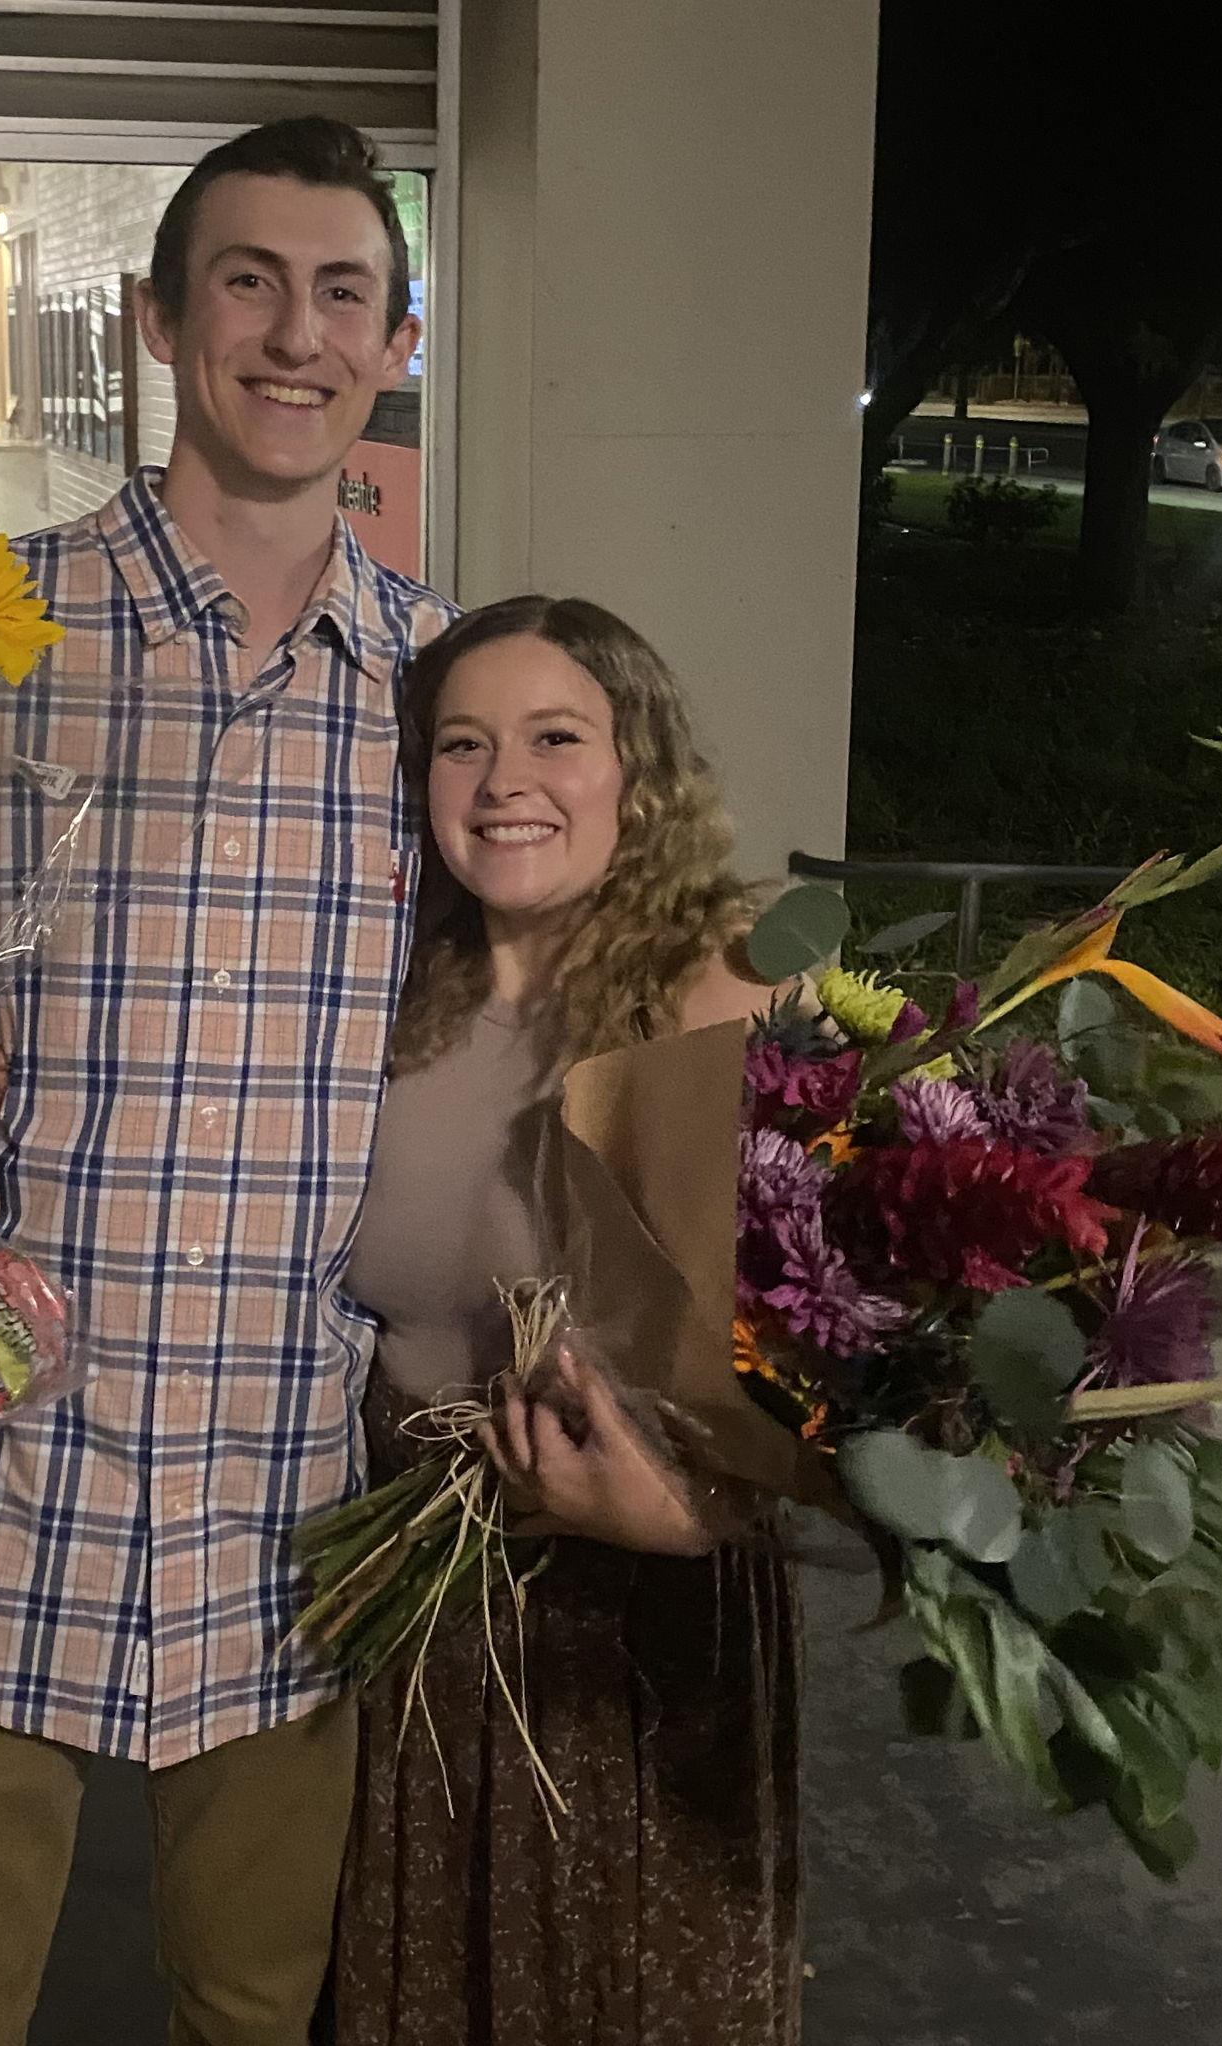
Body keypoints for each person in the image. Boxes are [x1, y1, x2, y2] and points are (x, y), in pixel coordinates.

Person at [0, 117, 452, 2046]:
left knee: (256, 2005)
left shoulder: (446, 701)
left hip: (285, 1496)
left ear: (395, 342)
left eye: (343, 295)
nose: (294, 336)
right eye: (248, 281)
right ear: (157, 319)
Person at [323, 596, 802, 2046]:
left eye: (555, 737)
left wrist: (679, 1511)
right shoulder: (380, 992)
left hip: (642, 1621)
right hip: (415, 1601)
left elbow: (827, 1362)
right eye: (460, 744)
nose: (502, 780)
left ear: (635, 772)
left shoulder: (725, 996)